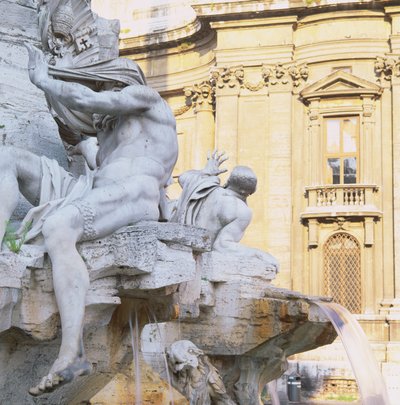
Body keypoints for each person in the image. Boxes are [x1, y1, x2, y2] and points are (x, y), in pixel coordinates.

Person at [0, 44, 178, 395]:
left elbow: (90, 102)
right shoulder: (107, 133)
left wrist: (45, 80)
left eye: (99, 84)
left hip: (137, 191)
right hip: (92, 188)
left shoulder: (146, 98)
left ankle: (72, 352)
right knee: (9, 158)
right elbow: (86, 132)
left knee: (58, 226)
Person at [171, 151, 279, 270]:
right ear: (247, 192)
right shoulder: (242, 211)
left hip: (173, 249)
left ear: (228, 181)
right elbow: (222, 246)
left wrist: (206, 172)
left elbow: (183, 178)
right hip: (195, 263)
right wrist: (258, 253)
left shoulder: (206, 185)